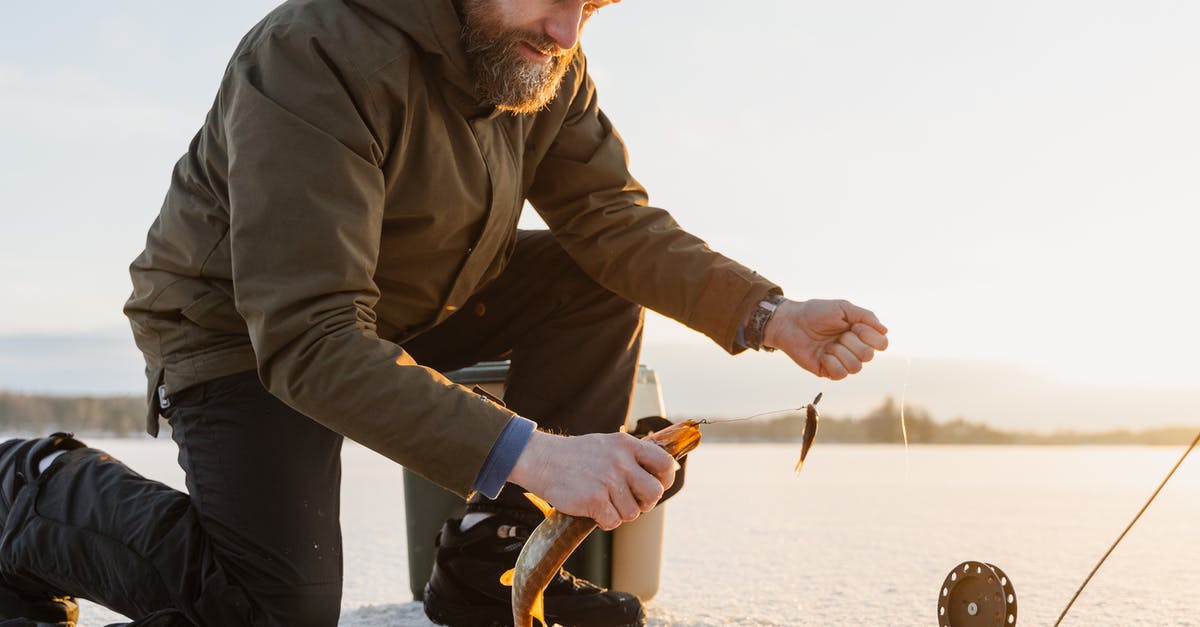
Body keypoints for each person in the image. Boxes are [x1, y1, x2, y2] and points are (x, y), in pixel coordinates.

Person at [0, 0, 888, 626]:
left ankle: (488, 564)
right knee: (273, 608)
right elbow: (310, 337)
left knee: (595, 273)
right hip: (242, 329)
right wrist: (538, 456)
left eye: (593, 4)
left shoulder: (543, 60)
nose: (569, 30)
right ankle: (18, 491)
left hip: (407, 297)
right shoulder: (314, 56)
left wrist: (768, 312)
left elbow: (611, 222)